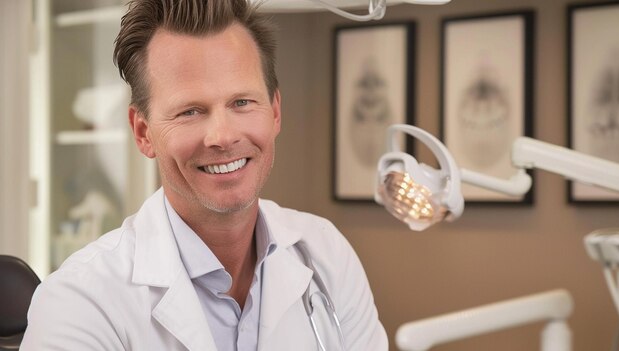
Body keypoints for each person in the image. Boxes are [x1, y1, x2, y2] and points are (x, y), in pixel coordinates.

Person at [21, 0, 388, 350]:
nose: (223, 136)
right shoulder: (79, 304)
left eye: (242, 102)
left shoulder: (326, 254)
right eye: (190, 111)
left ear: (275, 111)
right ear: (143, 132)